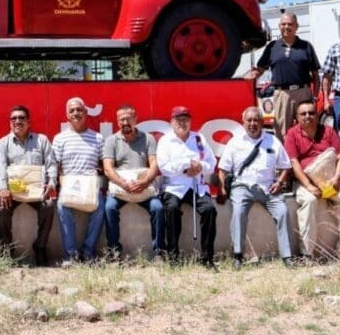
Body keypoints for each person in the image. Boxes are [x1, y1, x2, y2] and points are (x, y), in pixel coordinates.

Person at [217, 107, 292, 268]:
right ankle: (238, 255)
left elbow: (286, 166)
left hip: (268, 187)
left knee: (283, 212)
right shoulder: (235, 142)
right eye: (249, 120)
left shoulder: (272, 141)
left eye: (256, 120)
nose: (252, 124)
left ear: (262, 122)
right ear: (243, 122)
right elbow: (222, 170)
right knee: (238, 213)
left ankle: (287, 256)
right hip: (242, 186)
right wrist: (223, 188)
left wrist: (279, 183)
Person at [285, 99, 340, 259]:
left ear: (317, 115)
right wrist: (309, 186)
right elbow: (294, 162)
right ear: (297, 117)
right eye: (303, 114)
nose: (308, 116)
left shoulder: (328, 131)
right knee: (309, 201)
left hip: (331, 179)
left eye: (311, 113)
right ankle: (307, 253)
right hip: (306, 182)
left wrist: (337, 177)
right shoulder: (292, 133)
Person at [0, 105, 56, 266]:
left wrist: (51, 182)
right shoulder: (2, 143)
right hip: (12, 193)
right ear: (10, 122)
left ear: (29, 121)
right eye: (14, 118)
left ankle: (40, 247)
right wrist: (2, 188)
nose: (17, 121)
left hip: (36, 191)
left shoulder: (41, 140)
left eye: (21, 118)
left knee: (49, 205)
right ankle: (7, 249)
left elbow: (51, 165)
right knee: (1, 209)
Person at [156, 105, 219, 266]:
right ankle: (173, 256)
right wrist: (185, 165)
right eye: (179, 120)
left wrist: (199, 167)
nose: (183, 123)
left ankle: (207, 257)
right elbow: (164, 167)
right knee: (171, 210)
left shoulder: (199, 138)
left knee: (209, 210)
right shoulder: (165, 141)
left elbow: (211, 164)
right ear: (172, 122)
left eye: (186, 120)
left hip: (196, 186)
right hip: (174, 187)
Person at [245, 13, 320, 140]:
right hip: (281, 94)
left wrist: (314, 96)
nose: (286, 27)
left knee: (308, 128)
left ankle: (307, 157)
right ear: (279, 26)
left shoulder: (306, 46)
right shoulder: (272, 46)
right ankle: (286, 158)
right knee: (281, 131)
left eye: (290, 24)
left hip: (303, 92)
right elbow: (260, 69)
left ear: (297, 26)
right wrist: (248, 77)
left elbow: (316, 75)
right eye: (283, 24)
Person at [50, 98, 106, 265]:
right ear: (67, 115)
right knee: (61, 206)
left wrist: (99, 171)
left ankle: (88, 252)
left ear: (86, 113)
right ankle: (71, 255)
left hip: (90, 185)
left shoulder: (97, 138)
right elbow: (56, 165)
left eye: (79, 110)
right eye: (72, 110)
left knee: (100, 207)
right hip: (69, 185)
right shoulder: (60, 138)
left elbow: (104, 165)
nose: (76, 113)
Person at [102, 104, 162, 258]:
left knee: (158, 208)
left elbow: (154, 164)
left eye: (128, 119)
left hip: (144, 188)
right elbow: (108, 168)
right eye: (121, 120)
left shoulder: (148, 138)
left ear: (135, 119)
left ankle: (159, 252)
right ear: (117, 121)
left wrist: (144, 182)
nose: (124, 122)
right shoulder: (111, 141)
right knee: (109, 208)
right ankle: (114, 253)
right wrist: (123, 184)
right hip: (121, 189)